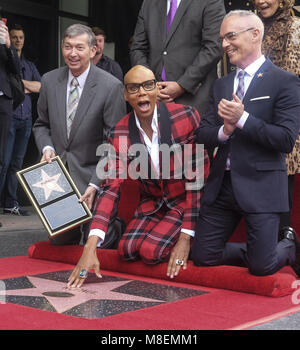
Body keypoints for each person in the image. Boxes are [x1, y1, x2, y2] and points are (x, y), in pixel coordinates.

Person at [67, 65, 210, 288]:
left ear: (156, 89)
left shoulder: (185, 116)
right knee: (127, 250)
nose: (141, 93)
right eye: (133, 88)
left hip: (183, 202)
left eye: (147, 86)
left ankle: (190, 236)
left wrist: (185, 238)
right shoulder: (119, 132)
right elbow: (110, 188)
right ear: (125, 95)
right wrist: (89, 246)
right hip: (151, 204)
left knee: (151, 252)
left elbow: (197, 181)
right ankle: (153, 232)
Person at [191, 10, 300, 277]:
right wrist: (225, 131)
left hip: (261, 187)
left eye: (230, 36)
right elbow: (203, 134)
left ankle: (287, 246)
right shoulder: (221, 85)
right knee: (203, 257)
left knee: (261, 268)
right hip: (222, 187)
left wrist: (243, 119)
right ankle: (255, 251)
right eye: (222, 39)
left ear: (255, 34)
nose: (225, 44)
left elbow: (285, 139)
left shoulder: (285, 82)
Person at [33, 24, 126, 245]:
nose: (72, 53)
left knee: (96, 243)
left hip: (94, 179)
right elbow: (41, 124)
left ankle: (115, 223)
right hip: (60, 181)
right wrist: (47, 148)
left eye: (79, 47)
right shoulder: (49, 81)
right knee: (60, 243)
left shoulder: (111, 86)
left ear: (93, 50)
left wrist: (95, 184)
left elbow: (115, 144)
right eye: (67, 47)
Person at [252, 0, 300, 236]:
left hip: (281, 121)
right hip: (253, 120)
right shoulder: (253, 26)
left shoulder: (295, 28)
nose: (260, 1)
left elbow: (290, 78)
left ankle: (284, 243)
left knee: (281, 192)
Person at [130, 0, 226, 117]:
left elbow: (214, 47)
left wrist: (182, 85)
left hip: (194, 101)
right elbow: (137, 48)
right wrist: (149, 85)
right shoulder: (149, 3)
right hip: (154, 101)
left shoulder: (210, 1)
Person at [0, 24, 41, 216]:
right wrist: (23, 86)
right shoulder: (6, 60)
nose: (17, 40)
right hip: (10, 117)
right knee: (4, 161)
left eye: (20, 37)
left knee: (16, 164)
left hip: (25, 120)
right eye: (14, 37)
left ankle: (11, 202)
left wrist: (18, 83)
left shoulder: (29, 65)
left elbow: (40, 87)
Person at [0, 17, 21, 227]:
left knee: (1, 159)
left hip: (3, 102)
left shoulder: (5, 45)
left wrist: (8, 46)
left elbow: (16, 69)